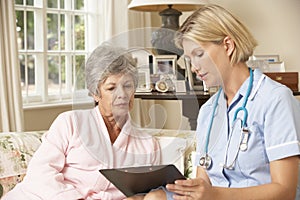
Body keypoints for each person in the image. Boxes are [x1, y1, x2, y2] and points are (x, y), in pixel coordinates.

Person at [144, 4, 300, 200]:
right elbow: (204, 183)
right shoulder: (209, 110)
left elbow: (285, 191)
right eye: (189, 59)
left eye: (199, 54)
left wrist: (215, 195)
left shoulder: (275, 99)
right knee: (152, 197)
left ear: (228, 45)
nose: (193, 68)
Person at [2, 43, 161, 200]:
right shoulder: (70, 123)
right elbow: (41, 172)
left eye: (127, 86)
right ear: (95, 94)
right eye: (111, 88)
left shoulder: (147, 144)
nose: (122, 95)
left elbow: (150, 192)